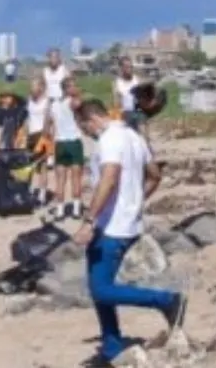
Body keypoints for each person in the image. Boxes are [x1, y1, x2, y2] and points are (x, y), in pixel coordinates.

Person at [71, 98, 186, 364]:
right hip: (128, 222)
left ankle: (166, 300)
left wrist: (90, 219)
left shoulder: (110, 139)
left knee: (100, 290)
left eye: (84, 127)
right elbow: (155, 175)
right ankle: (112, 346)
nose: (85, 133)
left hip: (111, 226)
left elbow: (109, 178)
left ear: (91, 119)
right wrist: (135, 201)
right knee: (101, 287)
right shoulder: (134, 137)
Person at [45, 77, 86, 220]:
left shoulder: (54, 104)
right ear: (67, 88)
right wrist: (78, 93)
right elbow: (79, 104)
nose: (75, 88)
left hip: (60, 143)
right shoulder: (72, 101)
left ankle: (60, 210)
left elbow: (48, 126)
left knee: (60, 179)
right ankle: (75, 209)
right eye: (73, 86)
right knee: (76, 177)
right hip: (74, 142)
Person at [26, 79, 53, 206]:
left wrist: (44, 138)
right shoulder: (29, 100)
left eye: (34, 86)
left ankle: (42, 194)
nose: (32, 89)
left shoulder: (47, 101)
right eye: (31, 86)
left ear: (41, 87)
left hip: (41, 134)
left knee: (42, 166)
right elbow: (27, 118)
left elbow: (48, 121)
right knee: (29, 165)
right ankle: (29, 191)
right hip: (30, 134)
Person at [112, 57, 142, 131]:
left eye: (131, 67)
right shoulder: (117, 83)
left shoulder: (137, 80)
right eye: (127, 67)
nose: (130, 69)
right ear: (122, 68)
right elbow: (116, 102)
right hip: (125, 115)